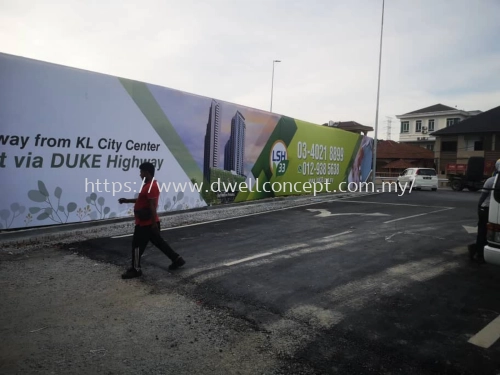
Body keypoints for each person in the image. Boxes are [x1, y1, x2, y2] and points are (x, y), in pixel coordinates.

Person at [118, 162, 185, 279]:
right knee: (160, 244)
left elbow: (152, 206)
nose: (140, 174)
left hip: (146, 224)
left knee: (136, 246)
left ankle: (135, 269)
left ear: (147, 172)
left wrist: (154, 225)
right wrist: (126, 200)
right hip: (147, 223)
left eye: (141, 172)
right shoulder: (147, 185)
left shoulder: (151, 186)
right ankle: (177, 259)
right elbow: (141, 200)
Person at [470, 159, 500, 263]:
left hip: (486, 209)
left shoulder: (491, 180)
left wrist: (479, 206)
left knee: (482, 230)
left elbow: (483, 196)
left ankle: (480, 252)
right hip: (494, 210)